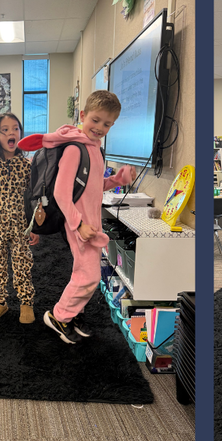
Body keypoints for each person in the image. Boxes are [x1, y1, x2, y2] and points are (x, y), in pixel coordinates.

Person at [40, 91, 136, 342]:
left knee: (82, 272)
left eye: (107, 124)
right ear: (83, 115)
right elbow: (61, 192)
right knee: (90, 275)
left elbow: (91, 185)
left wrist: (117, 180)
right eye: (95, 120)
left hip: (90, 223)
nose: (99, 127)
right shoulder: (75, 149)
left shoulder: (95, 149)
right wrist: (78, 224)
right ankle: (59, 316)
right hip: (79, 223)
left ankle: (72, 314)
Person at [0, 113, 39, 324]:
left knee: (23, 264)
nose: (11, 133)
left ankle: (26, 302)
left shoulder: (26, 165)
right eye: (5, 129)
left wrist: (35, 227)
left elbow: (34, 198)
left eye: (15, 128)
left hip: (21, 226)